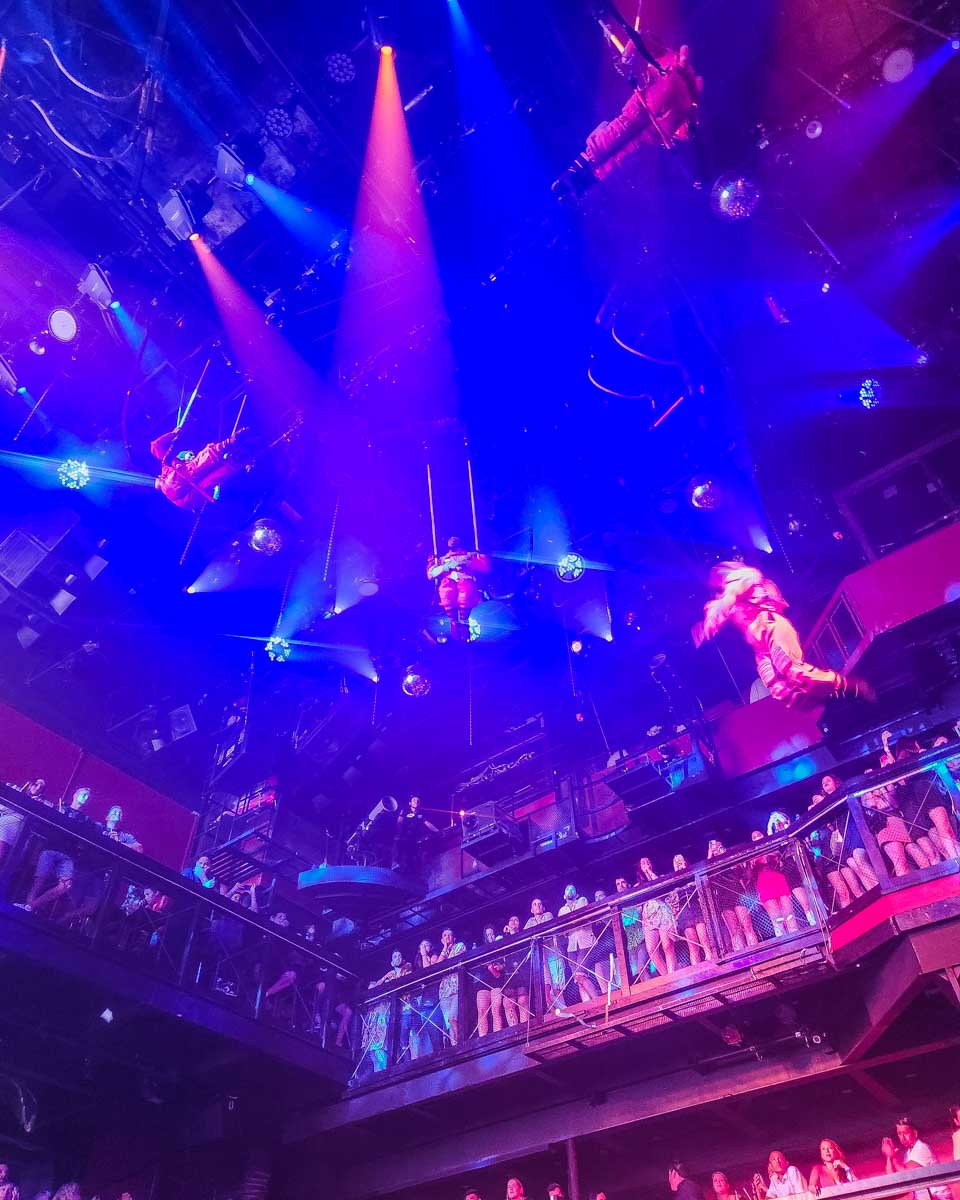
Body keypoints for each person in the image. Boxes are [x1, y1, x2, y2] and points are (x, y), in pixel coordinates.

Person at [552, 9, 702, 199]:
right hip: (648, 114)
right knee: (620, 142)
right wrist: (627, 58)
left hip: (652, 122)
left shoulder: (682, 80)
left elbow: (686, 128)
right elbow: (643, 41)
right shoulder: (671, 64)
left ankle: (580, 180)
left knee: (621, 145)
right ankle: (577, 177)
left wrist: (687, 127)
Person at [695, 562, 873, 708]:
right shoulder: (725, 600)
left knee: (793, 670)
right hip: (760, 645)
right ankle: (828, 700)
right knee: (779, 689)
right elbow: (721, 606)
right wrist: (708, 624)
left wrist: (712, 620)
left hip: (772, 627)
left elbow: (730, 597)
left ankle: (851, 685)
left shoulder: (748, 576)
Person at [15, 788, 95, 914]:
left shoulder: (87, 820)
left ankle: (30, 906)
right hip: (50, 848)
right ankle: (29, 907)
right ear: (75, 794)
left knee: (65, 885)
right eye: (83, 794)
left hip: (69, 854)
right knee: (39, 880)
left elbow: (88, 837)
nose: (85, 797)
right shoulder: (59, 807)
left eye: (88, 796)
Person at [150, 424, 256, 511]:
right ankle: (231, 449)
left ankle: (234, 455)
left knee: (207, 468)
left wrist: (173, 434)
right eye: (189, 455)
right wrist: (173, 434)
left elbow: (204, 486)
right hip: (188, 479)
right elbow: (155, 446)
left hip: (193, 483)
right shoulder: (169, 466)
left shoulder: (170, 465)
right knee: (201, 465)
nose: (191, 456)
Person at [426, 536, 491, 639]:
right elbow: (431, 574)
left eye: (455, 538)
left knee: (465, 592)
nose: (453, 540)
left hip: (465, 582)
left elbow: (484, 567)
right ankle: (454, 623)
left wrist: (467, 563)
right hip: (448, 583)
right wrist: (445, 567)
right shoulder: (442, 559)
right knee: (447, 591)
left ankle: (464, 621)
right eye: (451, 538)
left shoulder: (468, 556)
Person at [881, 1116, 952, 1200]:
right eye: (899, 1134)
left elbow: (906, 1173)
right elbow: (891, 1178)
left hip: (939, 1197)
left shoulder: (922, 1148)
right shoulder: (907, 1154)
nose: (902, 1138)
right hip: (926, 1196)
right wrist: (889, 1157)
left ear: (915, 1133)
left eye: (905, 1133)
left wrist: (893, 1157)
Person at [706, 839, 758, 952]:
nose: (715, 849)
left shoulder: (730, 856)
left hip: (736, 891)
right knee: (734, 931)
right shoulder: (712, 864)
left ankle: (755, 950)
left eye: (717, 847)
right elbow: (707, 877)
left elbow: (744, 873)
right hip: (723, 896)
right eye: (712, 847)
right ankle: (741, 955)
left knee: (746, 926)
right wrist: (710, 855)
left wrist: (724, 854)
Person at [750, 831, 799, 938]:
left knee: (789, 914)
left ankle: (796, 936)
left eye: (759, 835)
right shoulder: (752, 854)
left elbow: (781, 860)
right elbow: (750, 873)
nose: (758, 838)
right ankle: (784, 943)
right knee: (776, 918)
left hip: (777, 878)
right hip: (764, 881)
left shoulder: (774, 846)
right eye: (754, 837)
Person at [558, 884, 599, 1003]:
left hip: (585, 942)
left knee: (580, 974)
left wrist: (572, 924)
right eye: (567, 889)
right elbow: (563, 929)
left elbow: (583, 918)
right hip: (572, 946)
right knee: (578, 979)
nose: (569, 890)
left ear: (576, 894)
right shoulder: (562, 910)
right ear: (564, 895)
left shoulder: (582, 900)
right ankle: (588, 1004)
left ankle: (597, 1001)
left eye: (572, 889)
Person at [638, 857, 677, 976]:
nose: (646, 864)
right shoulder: (638, 885)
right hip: (648, 916)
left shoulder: (659, 877)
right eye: (643, 863)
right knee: (651, 950)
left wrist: (649, 872)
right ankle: (667, 976)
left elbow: (660, 885)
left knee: (667, 945)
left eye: (648, 862)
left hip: (662, 911)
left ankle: (672, 974)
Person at [670, 854, 711, 963]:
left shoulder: (693, 872)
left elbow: (700, 886)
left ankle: (711, 959)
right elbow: (671, 898)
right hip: (684, 911)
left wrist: (685, 869)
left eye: (680, 860)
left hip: (696, 907)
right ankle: (697, 967)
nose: (679, 862)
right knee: (693, 943)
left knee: (704, 938)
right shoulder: (673, 879)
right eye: (676, 861)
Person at [525, 897, 564, 1009]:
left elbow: (544, 929)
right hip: (540, 956)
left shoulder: (548, 915)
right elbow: (526, 935)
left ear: (543, 907)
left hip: (552, 951)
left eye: (539, 904)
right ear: (531, 910)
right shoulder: (530, 921)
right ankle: (553, 1011)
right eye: (535, 904)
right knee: (546, 985)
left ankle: (564, 1009)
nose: (537, 906)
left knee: (557, 985)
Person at [435, 927, 467, 1046]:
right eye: (444, 935)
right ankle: (454, 1046)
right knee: (449, 1024)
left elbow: (452, 964)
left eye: (449, 935)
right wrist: (444, 949)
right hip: (444, 992)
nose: (447, 937)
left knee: (453, 1018)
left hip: (456, 988)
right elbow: (438, 967)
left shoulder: (459, 946)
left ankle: (460, 1045)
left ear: (454, 938)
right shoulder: (442, 953)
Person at [475, 924, 507, 1037]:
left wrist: (498, 967)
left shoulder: (501, 945)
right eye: (487, 934)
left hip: (497, 980)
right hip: (484, 980)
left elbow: (505, 963)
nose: (490, 936)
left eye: (491, 933)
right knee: (482, 1010)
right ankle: (483, 1037)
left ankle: (497, 1034)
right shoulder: (482, 949)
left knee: (496, 1008)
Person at [394, 796, 438, 877]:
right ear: (410, 803)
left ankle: (413, 873)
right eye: (414, 800)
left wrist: (438, 831)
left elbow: (428, 823)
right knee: (402, 852)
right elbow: (399, 822)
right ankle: (396, 865)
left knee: (413, 856)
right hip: (404, 837)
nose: (416, 802)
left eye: (418, 801)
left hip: (414, 839)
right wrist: (399, 833)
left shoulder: (420, 814)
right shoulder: (405, 811)